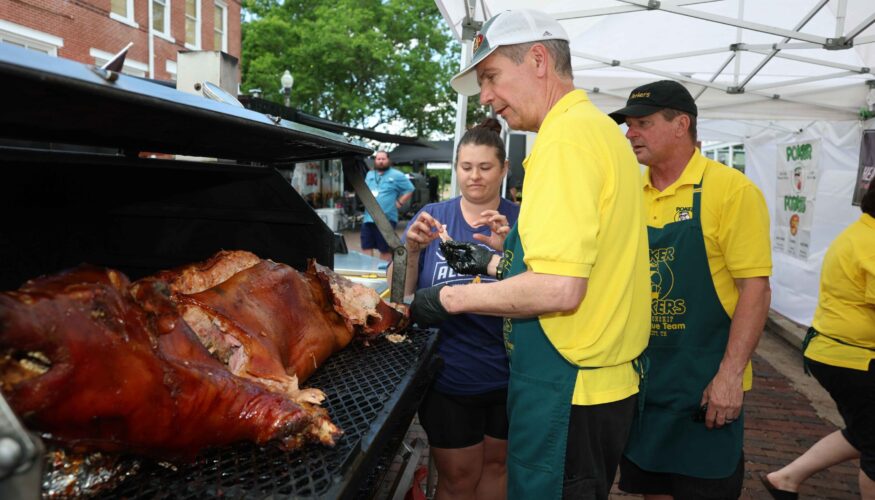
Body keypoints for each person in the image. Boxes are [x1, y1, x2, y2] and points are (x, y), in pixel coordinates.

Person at [408, 9, 651, 499]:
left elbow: (560, 288)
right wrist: (501, 260)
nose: (486, 97)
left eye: (492, 77)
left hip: (570, 389)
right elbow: (580, 261)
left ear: (538, 59)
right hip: (600, 385)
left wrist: (447, 299)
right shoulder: (598, 129)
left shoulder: (565, 141)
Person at [609, 80, 772, 500]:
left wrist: (730, 377)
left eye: (642, 123)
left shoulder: (731, 191)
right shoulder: (629, 192)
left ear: (681, 124)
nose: (630, 134)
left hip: (706, 388)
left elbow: (754, 288)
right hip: (643, 386)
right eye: (628, 125)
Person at [395, 118, 519, 499]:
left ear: (504, 169)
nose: (475, 177)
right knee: (458, 478)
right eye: (466, 168)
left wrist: (507, 250)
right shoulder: (433, 216)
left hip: (510, 372)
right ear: (456, 169)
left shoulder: (521, 221)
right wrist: (412, 251)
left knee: (497, 468)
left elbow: (545, 286)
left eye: (485, 168)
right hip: (450, 372)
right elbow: (401, 290)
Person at [762, 182, 875, 500]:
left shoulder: (862, 233)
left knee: (864, 432)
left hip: (836, 352)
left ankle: (786, 478)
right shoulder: (870, 243)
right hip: (851, 358)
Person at [360, 150, 414, 260]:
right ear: (375, 160)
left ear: (388, 160)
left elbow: (410, 188)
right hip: (368, 218)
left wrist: (400, 202)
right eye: (378, 159)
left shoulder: (397, 175)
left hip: (386, 218)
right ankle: (366, 273)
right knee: (366, 246)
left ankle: (383, 274)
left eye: (383, 159)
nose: (380, 161)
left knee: (385, 249)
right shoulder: (370, 174)